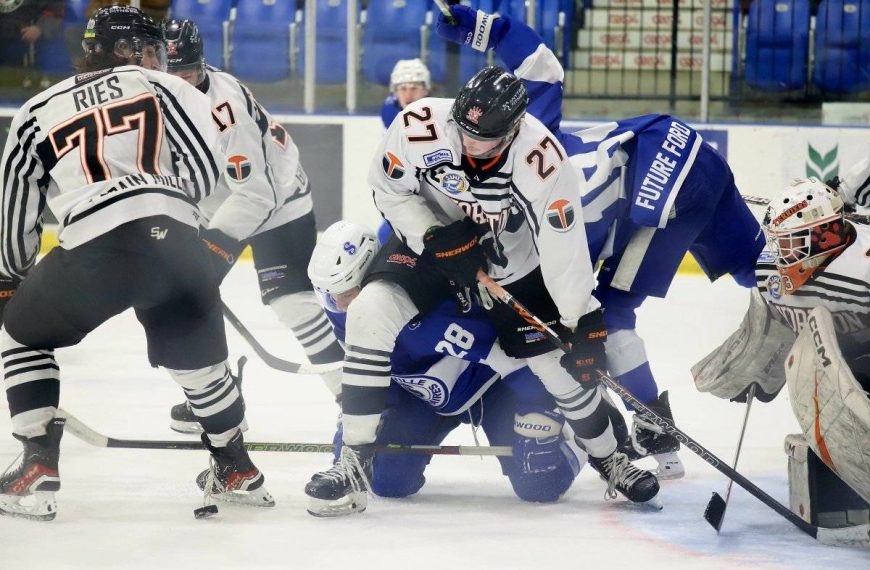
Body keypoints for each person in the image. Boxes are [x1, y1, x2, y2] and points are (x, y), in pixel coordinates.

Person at [434, 4, 767, 478]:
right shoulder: (530, 136)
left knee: (608, 316)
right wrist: (479, 27)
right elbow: (541, 67)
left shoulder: (544, 221)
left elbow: (576, 297)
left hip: (661, 192)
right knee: (765, 271)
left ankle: (654, 425)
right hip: (677, 142)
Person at [311, 65, 662, 511]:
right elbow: (388, 191)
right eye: (466, 133)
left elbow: (564, 251)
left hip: (511, 265)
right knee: (369, 311)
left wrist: (582, 320)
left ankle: (610, 458)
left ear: (514, 128)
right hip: (428, 246)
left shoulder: (544, 161)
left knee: (559, 364)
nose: (472, 146)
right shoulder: (418, 123)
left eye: (487, 140)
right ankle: (354, 458)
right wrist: (433, 235)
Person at [0, 6, 271, 521]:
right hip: (173, 241)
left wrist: (9, 277)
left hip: (95, 244)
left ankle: (37, 464)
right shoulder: (167, 87)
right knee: (199, 363)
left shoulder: (35, 110)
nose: (159, 57)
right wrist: (166, 209)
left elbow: (15, 209)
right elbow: (203, 169)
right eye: (150, 48)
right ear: (127, 51)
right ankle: (235, 467)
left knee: (22, 333)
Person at [302, 221, 585, 516]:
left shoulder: (430, 306)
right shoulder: (342, 312)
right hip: (422, 399)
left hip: (493, 389)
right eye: (327, 294)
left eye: (347, 292)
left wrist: (551, 408)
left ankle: (580, 443)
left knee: (540, 483)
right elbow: (378, 374)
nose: (339, 305)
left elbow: (513, 360)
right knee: (388, 481)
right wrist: (359, 427)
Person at [160, 19, 344, 433]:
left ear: (202, 64)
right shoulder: (157, 94)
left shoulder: (227, 114)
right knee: (178, 302)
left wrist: (210, 248)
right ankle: (216, 395)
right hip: (220, 201)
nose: (182, 81)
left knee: (292, 303)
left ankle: (353, 398)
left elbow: (255, 195)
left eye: (188, 72)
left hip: (277, 203)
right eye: (174, 73)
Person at [696, 177, 870, 506]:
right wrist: (762, 362)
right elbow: (778, 318)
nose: (779, 255)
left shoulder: (862, 273)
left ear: (824, 237)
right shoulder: (771, 270)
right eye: (777, 243)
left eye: (790, 244)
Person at [380, 58, 431, 129]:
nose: (408, 95)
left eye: (414, 88)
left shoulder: (439, 114)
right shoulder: (389, 112)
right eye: (403, 89)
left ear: (425, 91)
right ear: (395, 92)